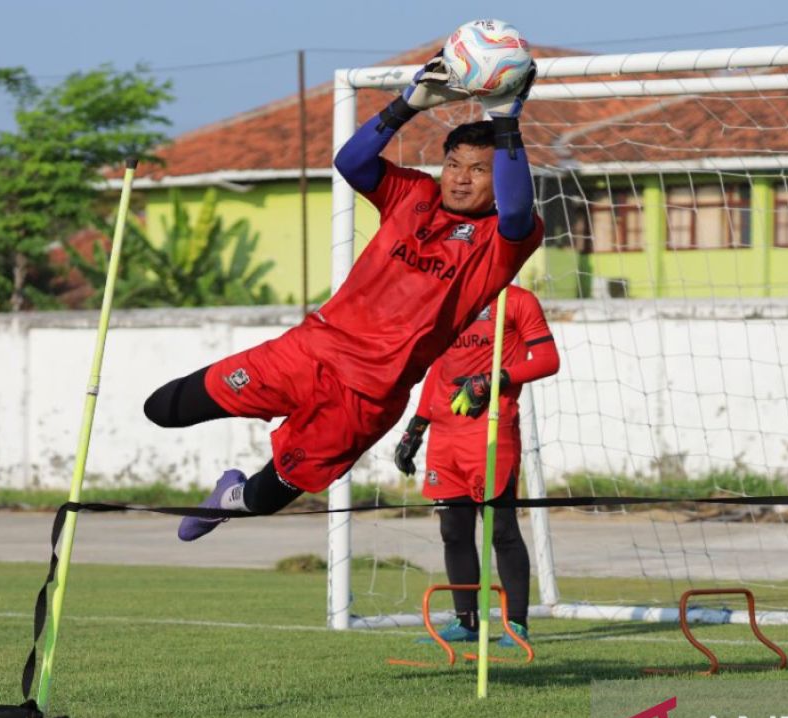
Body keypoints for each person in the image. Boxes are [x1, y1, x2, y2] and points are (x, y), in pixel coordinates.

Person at [143, 55, 543, 540]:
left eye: (479, 170)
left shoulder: (502, 241)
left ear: (497, 179)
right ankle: (230, 465)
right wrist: (411, 101)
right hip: (309, 351)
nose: (460, 178)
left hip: (367, 397)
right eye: (453, 164)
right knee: (164, 408)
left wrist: (506, 119)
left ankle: (231, 495)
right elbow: (349, 162)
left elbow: (518, 207)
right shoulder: (412, 194)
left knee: (267, 497)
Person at [393, 284, 559, 647]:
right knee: (453, 530)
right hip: (445, 435)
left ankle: (516, 625)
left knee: (500, 530)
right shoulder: (449, 299)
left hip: (490, 431)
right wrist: (416, 428)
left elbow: (548, 360)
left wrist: (493, 379)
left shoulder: (516, 301)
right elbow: (439, 368)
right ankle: (466, 623)